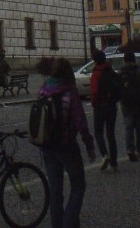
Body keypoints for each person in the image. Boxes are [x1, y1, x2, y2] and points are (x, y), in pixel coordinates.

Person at [38, 57, 96, 228]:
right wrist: (89, 145)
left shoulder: (43, 89)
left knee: (55, 190)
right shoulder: (69, 92)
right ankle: (69, 223)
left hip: (47, 145)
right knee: (78, 186)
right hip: (66, 145)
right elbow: (80, 122)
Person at [119, 50, 140, 161]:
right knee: (139, 127)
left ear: (124, 60)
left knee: (128, 126)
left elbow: (117, 87)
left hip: (126, 103)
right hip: (139, 102)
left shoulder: (121, 72)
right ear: (134, 59)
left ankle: (130, 149)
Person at [90, 49, 119, 171]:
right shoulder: (110, 70)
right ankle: (114, 161)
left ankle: (104, 154)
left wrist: (93, 103)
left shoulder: (96, 73)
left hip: (100, 106)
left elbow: (94, 91)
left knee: (98, 132)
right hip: (112, 105)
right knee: (111, 134)